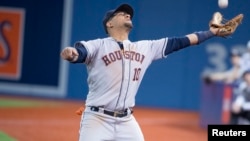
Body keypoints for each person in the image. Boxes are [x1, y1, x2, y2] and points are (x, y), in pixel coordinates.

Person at [60, 4, 230, 141]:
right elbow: (80, 52)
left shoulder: (145, 48)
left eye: (129, 14)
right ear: (109, 24)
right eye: (121, 13)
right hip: (97, 118)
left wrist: (212, 32)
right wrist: (72, 53)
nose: (127, 14)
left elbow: (183, 41)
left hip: (126, 121)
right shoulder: (98, 45)